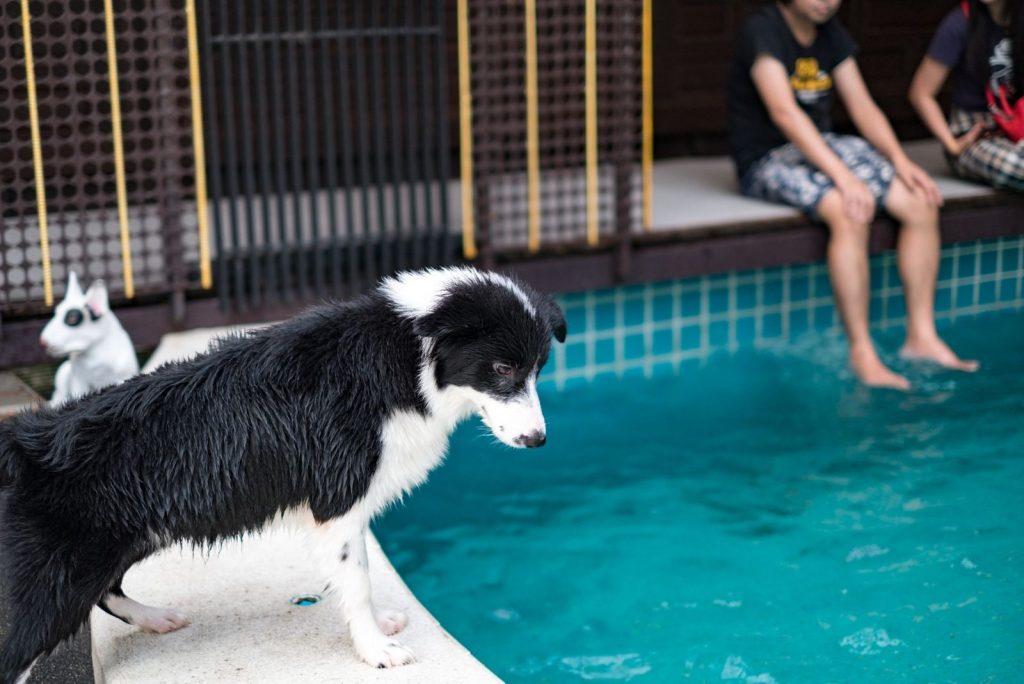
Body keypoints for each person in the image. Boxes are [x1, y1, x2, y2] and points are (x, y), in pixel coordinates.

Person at [727, 0, 978, 389]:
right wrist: (843, 178)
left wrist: (900, 160)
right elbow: (784, 113)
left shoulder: (831, 33)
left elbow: (862, 106)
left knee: (919, 200)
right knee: (849, 209)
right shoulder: (763, 30)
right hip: (767, 157)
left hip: (821, 146)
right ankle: (862, 353)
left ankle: (922, 338)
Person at [909, 0, 1024, 191]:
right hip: (975, 132)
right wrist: (951, 144)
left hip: (1017, 121)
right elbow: (921, 93)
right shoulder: (959, 23)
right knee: (1018, 166)